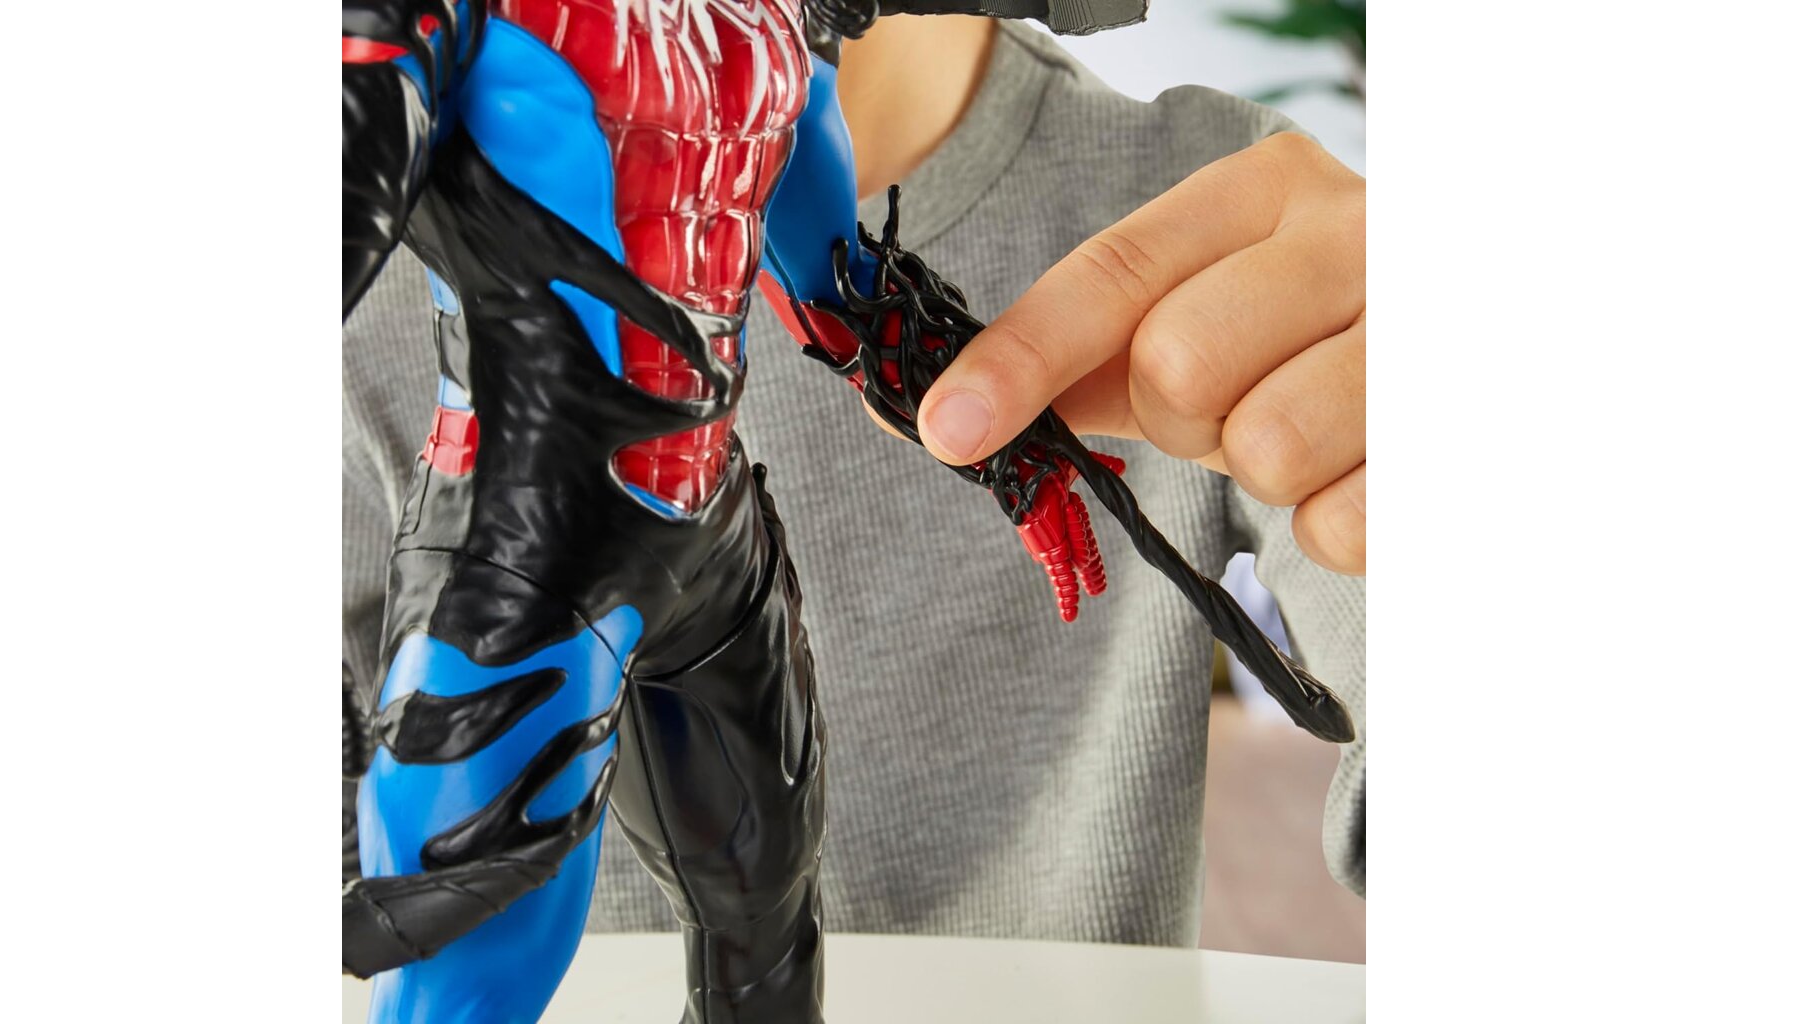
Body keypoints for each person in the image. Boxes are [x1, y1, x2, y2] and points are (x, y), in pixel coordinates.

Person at [344, 9, 1366, 962]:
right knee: (480, 916)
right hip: (522, 533)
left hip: (709, 531)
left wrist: (1007, 443)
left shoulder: (1224, 211)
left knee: (766, 920)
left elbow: (841, 287)